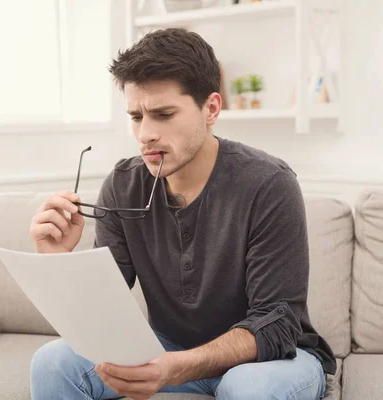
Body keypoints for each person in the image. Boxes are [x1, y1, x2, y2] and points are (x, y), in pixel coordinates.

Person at [28, 28, 335, 400]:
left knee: (249, 388)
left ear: (211, 109)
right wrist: (57, 260)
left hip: (268, 358)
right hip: (167, 347)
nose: (145, 134)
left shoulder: (269, 184)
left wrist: (176, 367)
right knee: (51, 362)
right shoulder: (123, 184)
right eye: (136, 116)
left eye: (163, 114)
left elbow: (278, 323)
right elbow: (104, 311)